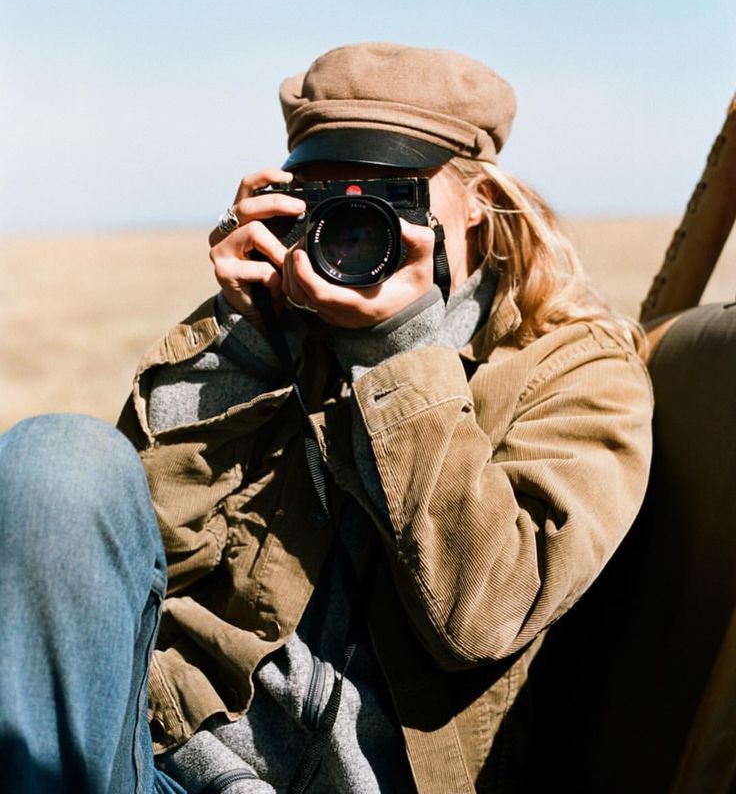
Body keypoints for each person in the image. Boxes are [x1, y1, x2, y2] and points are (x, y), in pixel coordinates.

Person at [0, 42, 653, 793]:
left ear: (479, 197)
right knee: (56, 457)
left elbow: (482, 620)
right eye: (323, 197)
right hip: (171, 764)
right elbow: (130, 575)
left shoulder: (574, 369)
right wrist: (241, 343)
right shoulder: (278, 325)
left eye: (390, 192)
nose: (352, 221)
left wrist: (396, 349)